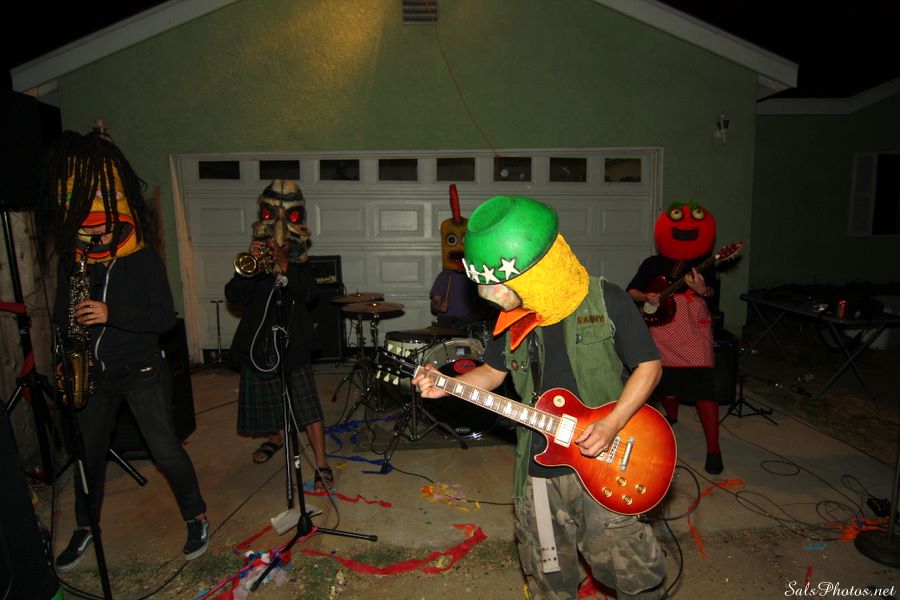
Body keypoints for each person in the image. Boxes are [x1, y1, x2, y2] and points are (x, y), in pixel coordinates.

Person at [412, 196, 667, 599]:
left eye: (503, 283)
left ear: (539, 268)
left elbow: (649, 367)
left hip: (605, 460)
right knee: (549, 577)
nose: (492, 295)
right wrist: (446, 384)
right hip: (538, 463)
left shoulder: (607, 299)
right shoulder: (513, 320)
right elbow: (493, 373)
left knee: (629, 571)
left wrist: (611, 424)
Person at [37, 130, 209, 572]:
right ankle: (85, 526)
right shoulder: (73, 263)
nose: (97, 229)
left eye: (103, 218)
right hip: (92, 375)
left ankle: (196, 517)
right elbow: (61, 316)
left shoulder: (143, 260)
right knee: (88, 456)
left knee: (165, 450)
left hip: (141, 370)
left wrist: (111, 313)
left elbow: (163, 319)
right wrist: (64, 357)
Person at [225, 180, 334, 492]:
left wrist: (284, 264)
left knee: (307, 407)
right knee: (268, 402)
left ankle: (321, 461)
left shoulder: (301, 264)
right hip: (258, 344)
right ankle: (275, 438)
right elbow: (234, 296)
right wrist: (250, 268)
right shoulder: (254, 261)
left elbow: (309, 294)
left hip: (292, 343)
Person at [626, 201, 723, 474]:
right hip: (661, 329)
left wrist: (702, 290)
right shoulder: (653, 263)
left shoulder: (705, 264)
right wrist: (647, 296)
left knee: (703, 387)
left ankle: (714, 449)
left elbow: (712, 296)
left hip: (693, 330)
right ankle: (671, 416)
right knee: (663, 381)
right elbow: (631, 291)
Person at [429, 184, 483, 328]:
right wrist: (439, 306)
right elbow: (434, 304)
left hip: (469, 321)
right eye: (452, 241)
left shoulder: (474, 275)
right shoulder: (444, 277)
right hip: (447, 321)